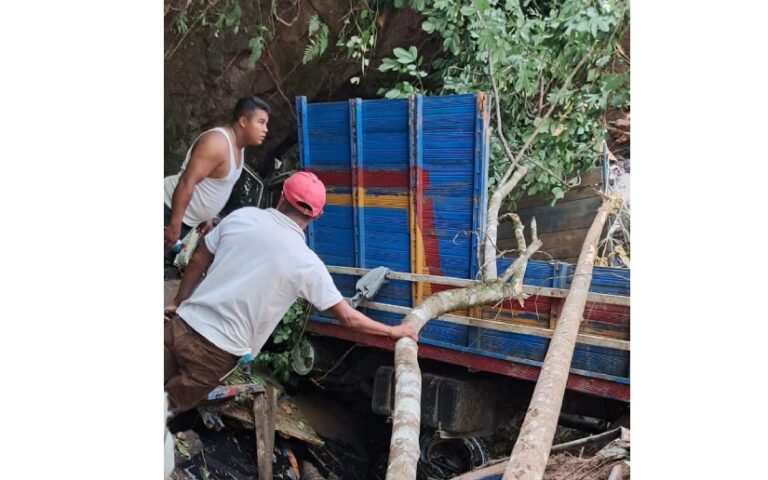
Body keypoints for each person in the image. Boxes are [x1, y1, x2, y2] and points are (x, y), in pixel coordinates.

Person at [164, 171, 418, 411]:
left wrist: (178, 301)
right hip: (216, 353)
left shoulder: (242, 217)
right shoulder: (308, 265)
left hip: (183, 325)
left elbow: (199, 258)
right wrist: (392, 331)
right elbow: (348, 318)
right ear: (317, 216)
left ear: (282, 195)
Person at [164, 96, 271, 254]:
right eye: (261, 122)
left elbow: (214, 184)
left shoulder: (239, 147)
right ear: (243, 121)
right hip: (167, 210)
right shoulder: (217, 143)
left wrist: (208, 216)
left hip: (182, 219)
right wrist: (174, 224)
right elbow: (187, 182)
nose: (266, 129)